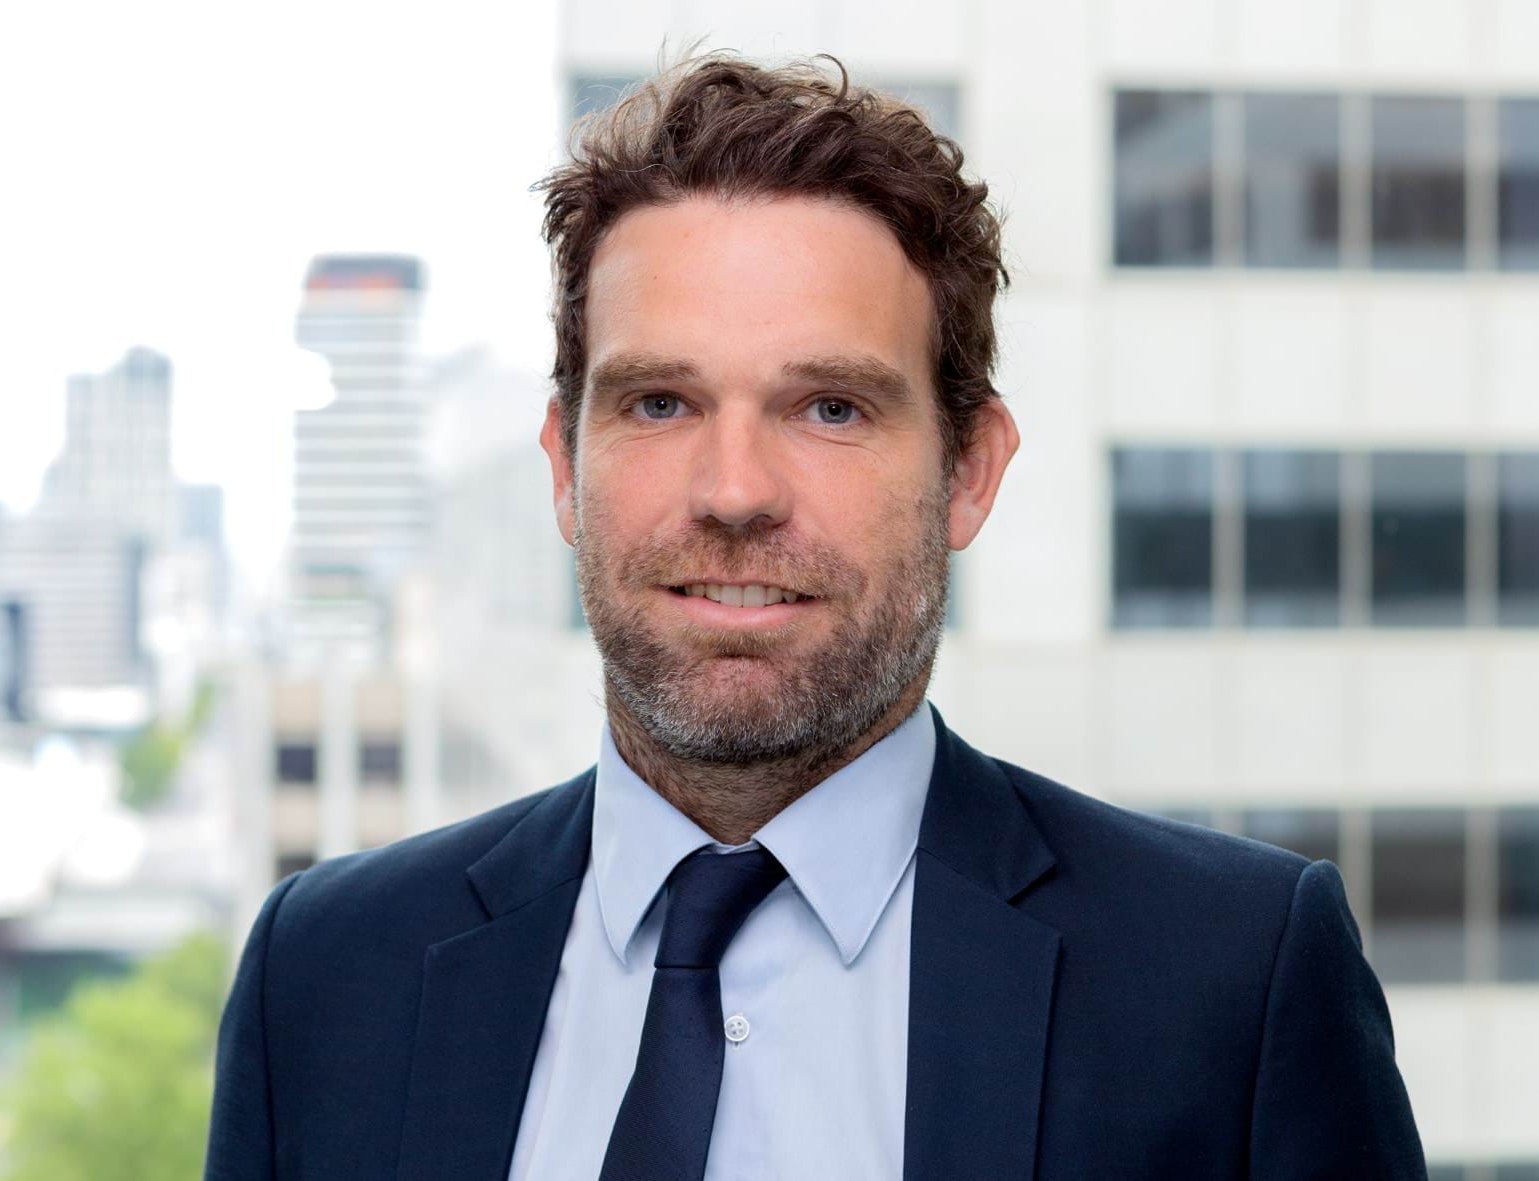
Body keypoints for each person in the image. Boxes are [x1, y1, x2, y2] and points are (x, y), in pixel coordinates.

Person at [205, 52, 1427, 1180]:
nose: (733, 491)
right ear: (564, 468)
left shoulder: (1233, 983)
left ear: (968, 472)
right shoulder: (322, 977)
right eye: (659, 402)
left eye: (830, 407)